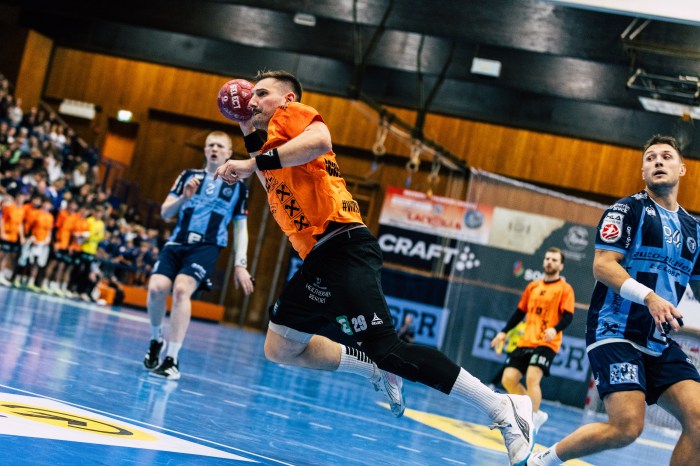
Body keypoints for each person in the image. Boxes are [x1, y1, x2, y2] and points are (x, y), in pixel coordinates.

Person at [214, 70, 534, 465]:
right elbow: (270, 178)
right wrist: (247, 129)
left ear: (287, 99)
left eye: (261, 94)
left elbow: (321, 140)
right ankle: (370, 366)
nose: (254, 100)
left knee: (391, 350)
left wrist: (251, 161)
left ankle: (503, 406)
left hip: (345, 245)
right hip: (319, 259)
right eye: (251, 97)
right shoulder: (276, 148)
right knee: (280, 347)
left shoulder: (292, 115)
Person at [528, 135, 700, 466]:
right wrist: (649, 297)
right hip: (614, 331)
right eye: (650, 158)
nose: (658, 161)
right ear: (643, 171)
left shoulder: (694, 230)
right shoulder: (627, 210)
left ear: (682, 169)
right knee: (626, 427)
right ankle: (542, 461)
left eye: (666, 156)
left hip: (658, 341)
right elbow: (603, 266)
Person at [143, 131, 255, 381]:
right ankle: (156, 340)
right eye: (210, 145)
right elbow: (165, 213)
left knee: (181, 290)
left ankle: (172, 360)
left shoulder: (238, 187)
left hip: (207, 246)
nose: (214, 149)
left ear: (229, 153)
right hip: (177, 242)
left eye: (220, 146)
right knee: (156, 288)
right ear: (205, 150)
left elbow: (241, 228)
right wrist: (184, 198)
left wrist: (241, 264)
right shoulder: (188, 177)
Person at [490, 247, 575, 432]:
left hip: (547, 342)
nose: (549, 262)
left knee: (532, 377)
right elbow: (520, 312)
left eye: (554, 260)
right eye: (547, 258)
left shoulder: (565, 289)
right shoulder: (532, 287)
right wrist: (504, 332)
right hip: (526, 341)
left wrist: (555, 329)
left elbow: (568, 316)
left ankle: (533, 419)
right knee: (508, 379)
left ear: (561, 266)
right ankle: (528, 412)